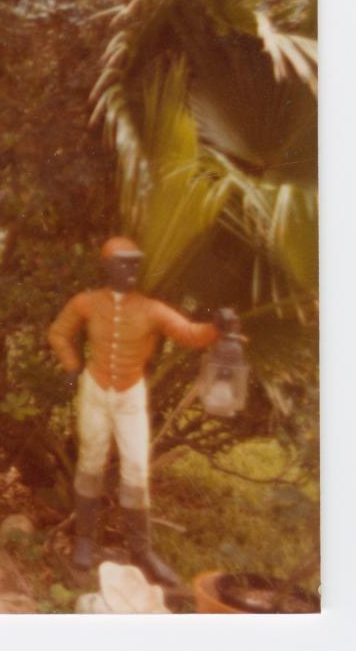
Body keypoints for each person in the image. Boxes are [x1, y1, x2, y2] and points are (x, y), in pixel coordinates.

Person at [47, 236, 232, 587]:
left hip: (130, 396)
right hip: (95, 392)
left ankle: (141, 551)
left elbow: (190, 334)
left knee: (135, 467)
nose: (130, 269)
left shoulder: (150, 309)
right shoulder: (87, 302)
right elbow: (58, 332)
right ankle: (85, 539)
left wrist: (216, 327)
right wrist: (71, 365)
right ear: (107, 266)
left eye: (135, 263)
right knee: (90, 461)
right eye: (123, 263)